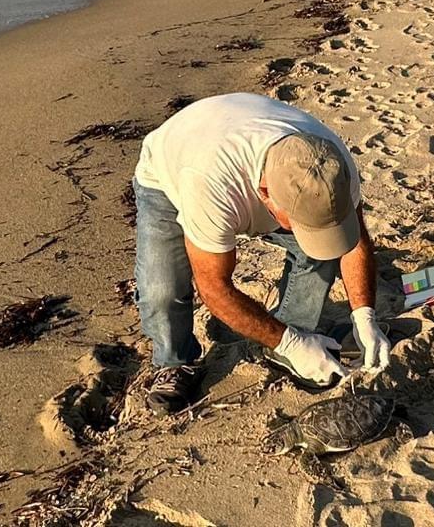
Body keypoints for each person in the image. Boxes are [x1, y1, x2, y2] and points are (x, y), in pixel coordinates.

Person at [132, 92, 391, 413]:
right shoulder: (211, 187)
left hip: (237, 129)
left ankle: (292, 331)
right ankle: (173, 360)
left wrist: (364, 315)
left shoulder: (331, 167)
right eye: (303, 224)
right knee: (162, 288)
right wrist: (293, 346)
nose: (310, 232)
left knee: (324, 253)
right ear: (266, 196)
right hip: (170, 169)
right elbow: (213, 286)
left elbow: (356, 244)